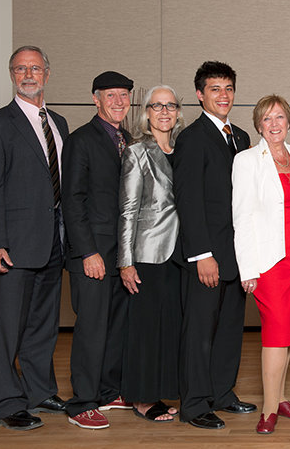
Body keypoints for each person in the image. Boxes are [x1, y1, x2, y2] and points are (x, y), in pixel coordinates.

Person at [0, 46, 68, 430]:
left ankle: (39, 391)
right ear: (12, 74)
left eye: (34, 68)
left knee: (43, 324)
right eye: (20, 69)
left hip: (53, 242)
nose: (28, 75)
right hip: (13, 245)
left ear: (47, 72)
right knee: (7, 328)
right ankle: (8, 403)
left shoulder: (59, 123)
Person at [172, 61, 255, 430]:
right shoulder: (191, 139)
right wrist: (202, 255)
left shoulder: (241, 137)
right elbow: (188, 201)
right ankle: (194, 404)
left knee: (229, 329)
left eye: (228, 88)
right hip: (206, 255)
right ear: (200, 95)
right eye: (215, 89)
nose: (223, 95)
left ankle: (222, 392)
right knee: (199, 333)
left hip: (237, 253)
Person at [62, 71, 136, 429]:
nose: (118, 101)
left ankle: (108, 391)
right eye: (111, 95)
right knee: (91, 329)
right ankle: (82, 402)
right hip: (92, 254)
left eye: (123, 95)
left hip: (121, 255)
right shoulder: (81, 140)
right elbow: (72, 200)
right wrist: (87, 251)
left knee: (116, 327)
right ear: (96, 99)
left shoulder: (128, 140)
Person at [232, 95, 290, 434]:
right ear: (259, 125)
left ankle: (281, 397)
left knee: (288, 330)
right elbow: (242, 216)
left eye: (279, 117)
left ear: (289, 121)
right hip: (270, 259)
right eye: (267, 118)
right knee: (276, 332)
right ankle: (268, 409)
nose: (274, 124)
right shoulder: (247, 160)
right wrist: (248, 268)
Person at [117, 85, 185, 423]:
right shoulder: (137, 151)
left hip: (180, 252)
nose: (164, 112)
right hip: (147, 252)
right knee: (145, 329)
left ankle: (161, 390)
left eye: (170, 105)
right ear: (146, 113)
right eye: (157, 106)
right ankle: (142, 399)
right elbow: (128, 209)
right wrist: (125, 261)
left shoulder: (182, 149)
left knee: (169, 326)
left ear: (178, 112)